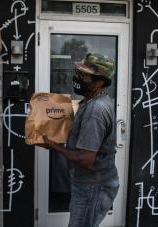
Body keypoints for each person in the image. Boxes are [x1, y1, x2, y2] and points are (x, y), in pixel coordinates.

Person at [41, 53, 119, 227]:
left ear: (99, 82)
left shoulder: (95, 110)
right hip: (93, 184)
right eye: (78, 72)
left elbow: (86, 160)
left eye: (83, 75)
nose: (77, 77)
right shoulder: (93, 101)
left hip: (92, 188)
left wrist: (55, 146)